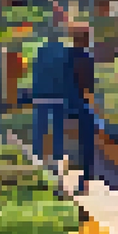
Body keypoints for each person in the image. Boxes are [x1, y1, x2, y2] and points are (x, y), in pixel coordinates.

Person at [30, 24, 73, 167]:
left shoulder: (41, 51)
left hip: (41, 93)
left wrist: (34, 90)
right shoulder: (64, 52)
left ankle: (36, 156)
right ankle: (57, 159)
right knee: (58, 128)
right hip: (58, 94)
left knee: (40, 126)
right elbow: (67, 75)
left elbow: (35, 71)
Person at [68, 25, 98, 194]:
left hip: (64, 104)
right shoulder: (87, 58)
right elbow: (88, 88)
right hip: (80, 104)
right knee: (87, 142)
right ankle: (85, 179)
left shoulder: (65, 57)